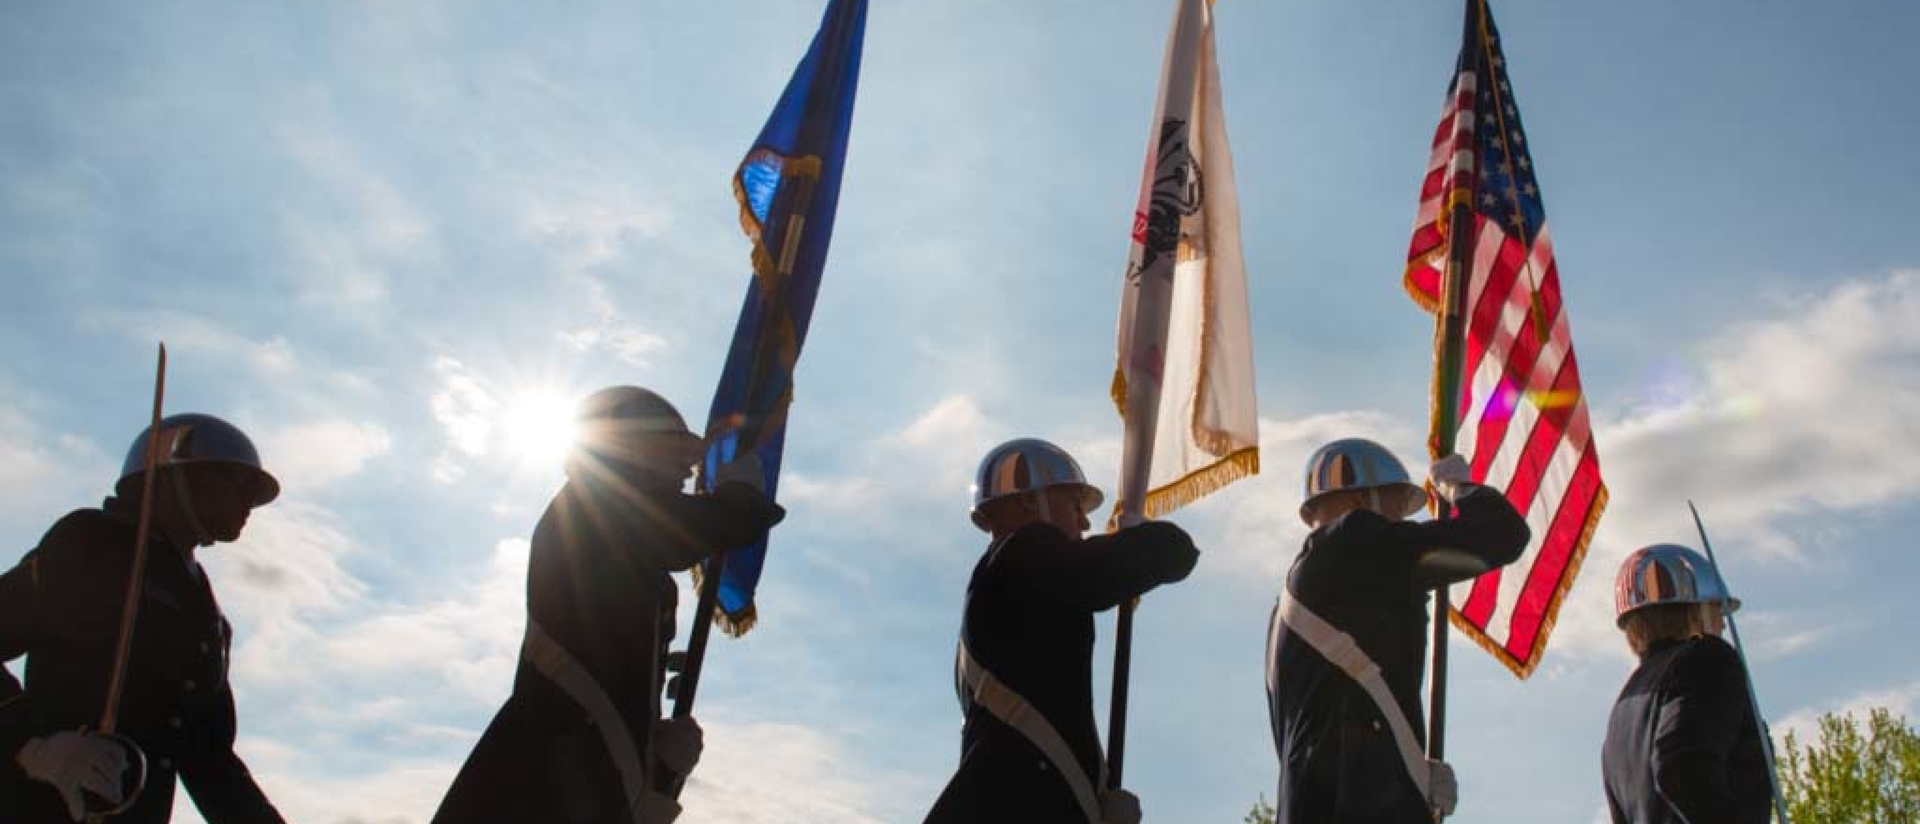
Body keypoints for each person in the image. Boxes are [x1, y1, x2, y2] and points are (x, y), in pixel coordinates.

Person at [433, 385, 784, 824]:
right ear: (629, 449)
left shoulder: (626, 549)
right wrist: (739, 503)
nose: (687, 468)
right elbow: (676, 532)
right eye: (673, 451)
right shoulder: (591, 506)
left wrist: (662, 765)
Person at [1, 413, 288, 823]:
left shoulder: (207, 614)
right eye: (236, 482)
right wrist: (31, 745)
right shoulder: (91, 542)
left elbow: (210, 762)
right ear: (177, 476)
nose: (249, 502)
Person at [923, 438, 1199, 824]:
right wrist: (1135, 537)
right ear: (1027, 502)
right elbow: (1174, 551)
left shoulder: (1002, 579)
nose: (1085, 521)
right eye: (1074, 503)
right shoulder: (1024, 552)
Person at [1265, 438, 1530, 823]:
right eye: (1395, 505)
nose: (1401, 523)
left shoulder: (1298, 598)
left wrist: (1408, 775)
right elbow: (1502, 534)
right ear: (1360, 503)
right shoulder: (1353, 539)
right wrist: (1459, 489)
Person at [1601, 543, 1772, 824]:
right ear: (1695, 611)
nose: (1723, 625)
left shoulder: (1623, 707)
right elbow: (1681, 766)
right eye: (1716, 610)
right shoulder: (1708, 660)